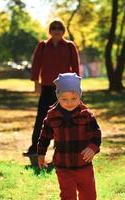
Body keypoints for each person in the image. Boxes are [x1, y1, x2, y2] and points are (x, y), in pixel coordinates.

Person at [38, 73, 101, 200]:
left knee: (89, 195)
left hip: (83, 164)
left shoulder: (86, 115)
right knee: (67, 195)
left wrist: (92, 148)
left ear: (80, 95)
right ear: (57, 97)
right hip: (63, 165)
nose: (69, 103)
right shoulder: (52, 116)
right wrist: (41, 153)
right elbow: (44, 136)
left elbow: (96, 134)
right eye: (64, 99)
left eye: (74, 98)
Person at [23, 20, 80, 156]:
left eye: (59, 28)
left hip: (64, 88)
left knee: (65, 118)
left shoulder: (69, 46)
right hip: (47, 87)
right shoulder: (43, 46)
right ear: (50, 31)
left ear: (63, 31)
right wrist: (36, 83)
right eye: (53, 28)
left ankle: (61, 149)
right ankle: (35, 149)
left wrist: (76, 87)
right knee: (42, 118)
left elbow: (76, 67)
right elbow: (36, 65)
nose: (56, 30)